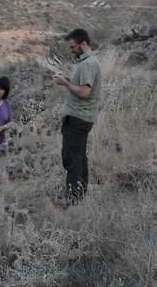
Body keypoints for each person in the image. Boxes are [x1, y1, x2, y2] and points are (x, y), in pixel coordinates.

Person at [53, 29, 102, 202]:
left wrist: (65, 83)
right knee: (78, 156)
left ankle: (73, 197)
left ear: (83, 44)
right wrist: (68, 80)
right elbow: (81, 86)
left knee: (72, 157)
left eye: (73, 47)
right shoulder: (87, 62)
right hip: (79, 117)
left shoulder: (88, 64)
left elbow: (84, 92)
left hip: (79, 117)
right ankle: (80, 193)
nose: (71, 50)